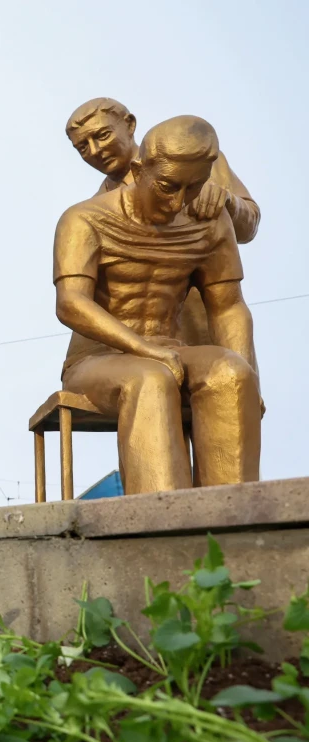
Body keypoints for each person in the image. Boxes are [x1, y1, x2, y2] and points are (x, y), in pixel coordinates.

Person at [53, 115, 260, 494]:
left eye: (193, 187)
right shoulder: (85, 218)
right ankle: (164, 526)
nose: (179, 201)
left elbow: (227, 306)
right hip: (97, 361)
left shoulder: (210, 222)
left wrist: (248, 374)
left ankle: (232, 521)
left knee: (231, 373)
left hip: (172, 349)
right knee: (149, 378)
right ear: (139, 170)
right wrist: (143, 348)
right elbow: (70, 304)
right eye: (167, 187)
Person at [65, 97, 261, 346]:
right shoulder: (95, 212)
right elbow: (78, 300)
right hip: (132, 351)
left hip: (203, 325)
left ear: (130, 125)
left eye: (102, 135)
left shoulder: (193, 156)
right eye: (83, 147)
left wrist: (227, 202)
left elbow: (249, 226)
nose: (95, 151)